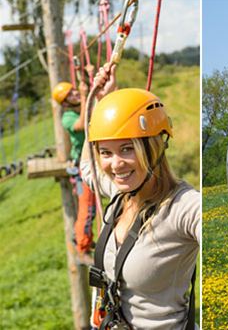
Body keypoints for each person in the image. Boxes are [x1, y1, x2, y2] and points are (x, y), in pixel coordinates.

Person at [80, 64, 200, 330]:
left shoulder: (183, 207)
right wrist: (100, 102)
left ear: (155, 147)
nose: (115, 164)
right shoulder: (120, 194)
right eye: (105, 152)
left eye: (127, 149)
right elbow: (88, 169)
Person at [52, 81, 96, 264]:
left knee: (89, 209)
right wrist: (85, 95)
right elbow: (82, 125)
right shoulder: (68, 117)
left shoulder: (84, 106)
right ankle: (82, 249)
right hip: (80, 168)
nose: (75, 94)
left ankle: (84, 238)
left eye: (74, 91)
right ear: (65, 103)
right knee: (87, 209)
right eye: (70, 95)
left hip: (89, 164)